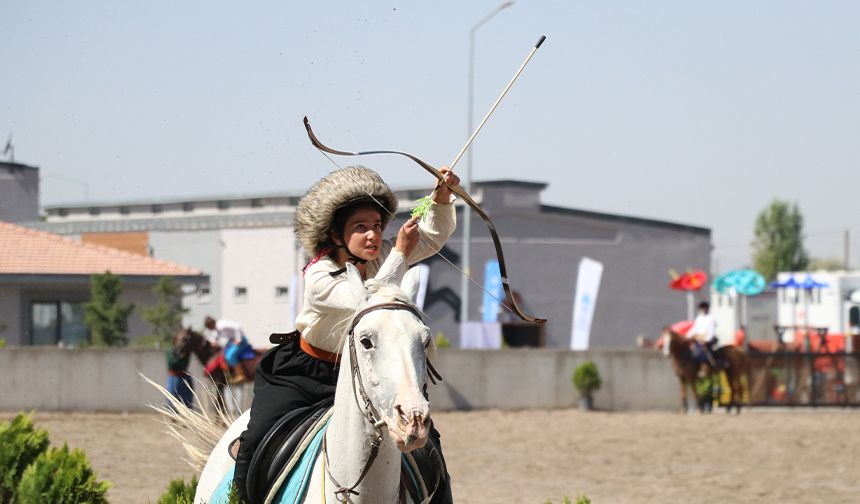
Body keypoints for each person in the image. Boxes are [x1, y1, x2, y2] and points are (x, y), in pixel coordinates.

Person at [233, 165, 458, 503]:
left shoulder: (383, 256)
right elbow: (365, 299)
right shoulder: (319, 275)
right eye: (361, 227)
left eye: (378, 226)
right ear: (337, 235)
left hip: (365, 371)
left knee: (429, 442)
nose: (373, 235)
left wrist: (441, 198)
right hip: (305, 373)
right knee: (256, 437)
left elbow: (431, 237)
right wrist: (399, 253)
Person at [687, 301, 718, 367]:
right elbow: (694, 328)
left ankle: (708, 365)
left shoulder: (711, 318)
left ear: (707, 308)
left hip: (707, 339)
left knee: (703, 352)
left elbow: (711, 331)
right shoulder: (699, 318)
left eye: (705, 308)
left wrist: (706, 340)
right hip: (699, 338)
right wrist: (688, 335)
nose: (703, 309)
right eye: (702, 308)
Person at [166, 345, 194, 409]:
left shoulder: (187, 352)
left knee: (187, 402)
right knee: (173, 400)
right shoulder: (171, 351)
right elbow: (173, 363)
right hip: (175, 377)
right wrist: (182, 356)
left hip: (184, 377)